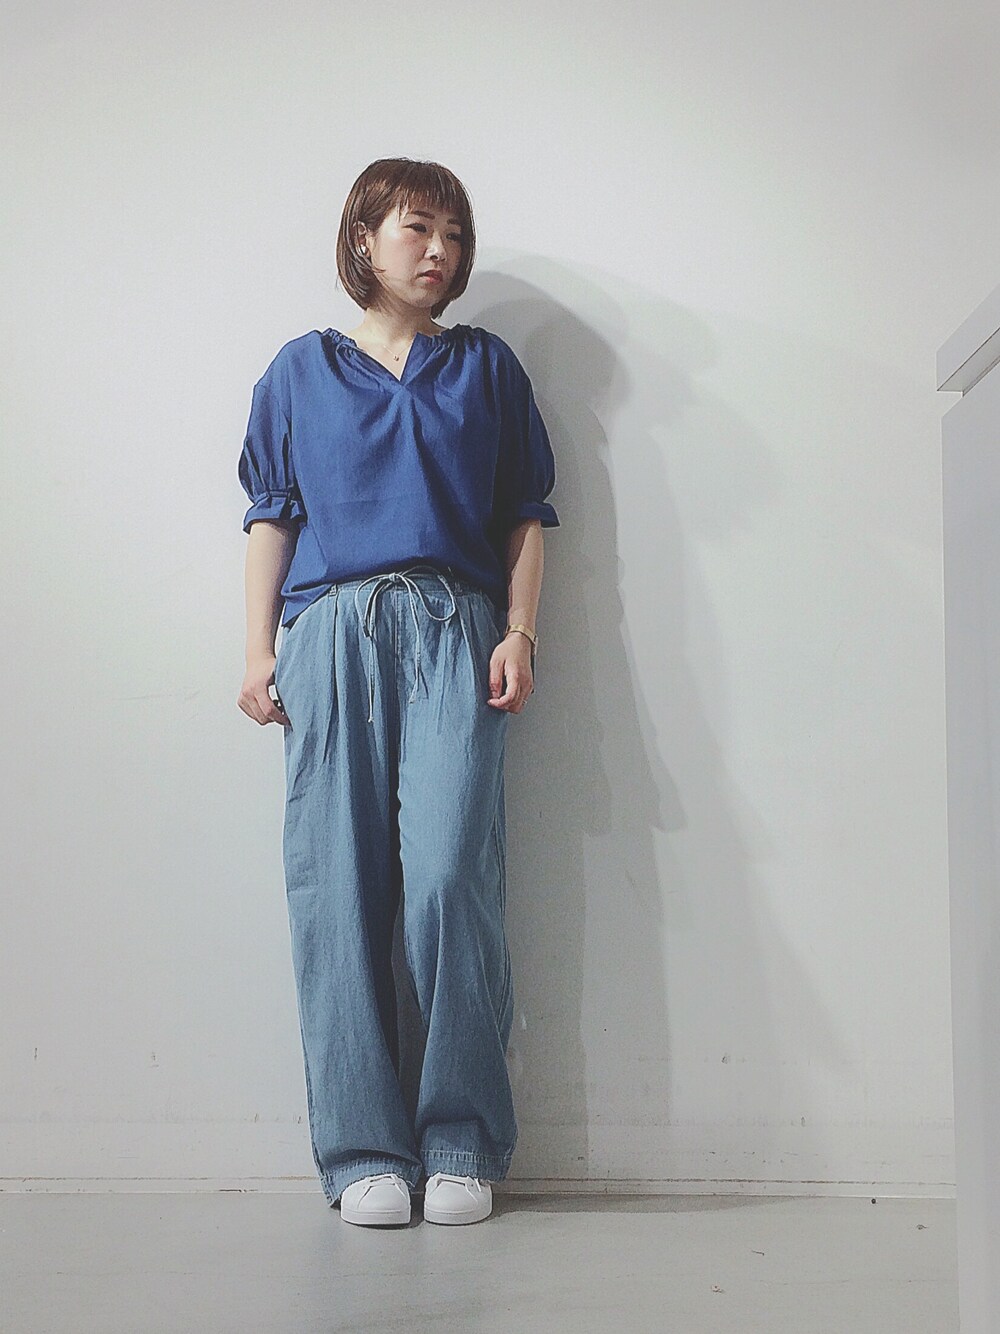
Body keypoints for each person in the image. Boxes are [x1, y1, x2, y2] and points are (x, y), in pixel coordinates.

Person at [236, 158, 559, 1228]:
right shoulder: (299, 370)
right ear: (363, 238)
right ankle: (362, 1147)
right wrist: (256, 651)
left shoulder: (486, 368)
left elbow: (524, 512)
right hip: (330, 632)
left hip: (455, 629)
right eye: (419, 227)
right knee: (336, 887)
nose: (440, 250)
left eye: (454, 234)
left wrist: (519, 630)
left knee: (451, 877)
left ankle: (460, 1136)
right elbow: (272, 514)